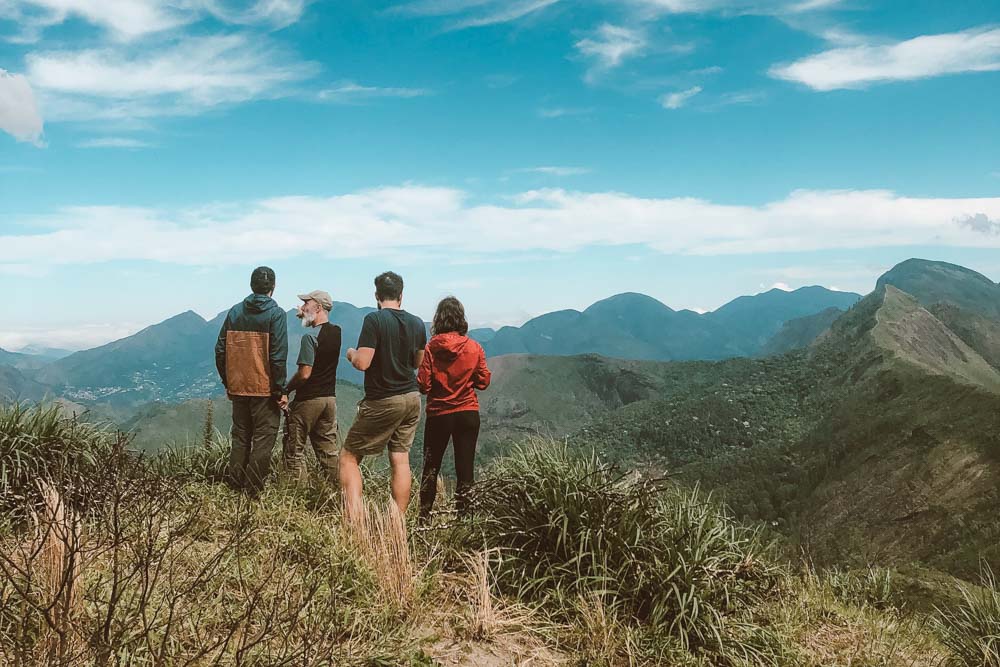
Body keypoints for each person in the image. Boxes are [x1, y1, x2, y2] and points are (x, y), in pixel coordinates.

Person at [341, 271, 426, 517]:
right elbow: (417, 361)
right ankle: (396, 521)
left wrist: (350, 353)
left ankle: (355, 521)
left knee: (349, 457)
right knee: (400, 459)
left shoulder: (374, 320)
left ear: (377, 296)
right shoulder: (418, 323)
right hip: (412, 398)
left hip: (384, 399)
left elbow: (363, 363)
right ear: (401, 295)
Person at [215, 266, 288, 497]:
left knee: (240, 437)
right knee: (263, 440)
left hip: (238, 387)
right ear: (273, 288)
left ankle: (234, 486)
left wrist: (228, 382)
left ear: (251, 286)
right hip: (265, 389)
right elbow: (277, 356)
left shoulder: (235, 312)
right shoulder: (276, 315)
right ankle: (252, 491)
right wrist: (280, 390)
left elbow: (220, 350)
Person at [417, 297, 491, 520]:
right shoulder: (474, 347)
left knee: (431, 467)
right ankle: (464, 519)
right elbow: (484, 382)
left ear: (438, 319)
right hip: (467, 412)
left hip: (439, 413)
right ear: (461, 318)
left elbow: (423, 384)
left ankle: (424, 517)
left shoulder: (430, 349)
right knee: (465, 469)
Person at [281, 290, 342, 485]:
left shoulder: (310, 338)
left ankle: (298, 499)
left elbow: (304, 373)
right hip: (329, 401)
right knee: (328, 452)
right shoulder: (336, 332)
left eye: (307, 303)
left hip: (308, 401)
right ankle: (340, 494)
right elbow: (316, 325)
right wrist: (305, 316)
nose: (303, 306)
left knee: (294, 452)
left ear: (319, 307)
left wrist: (286, 390)